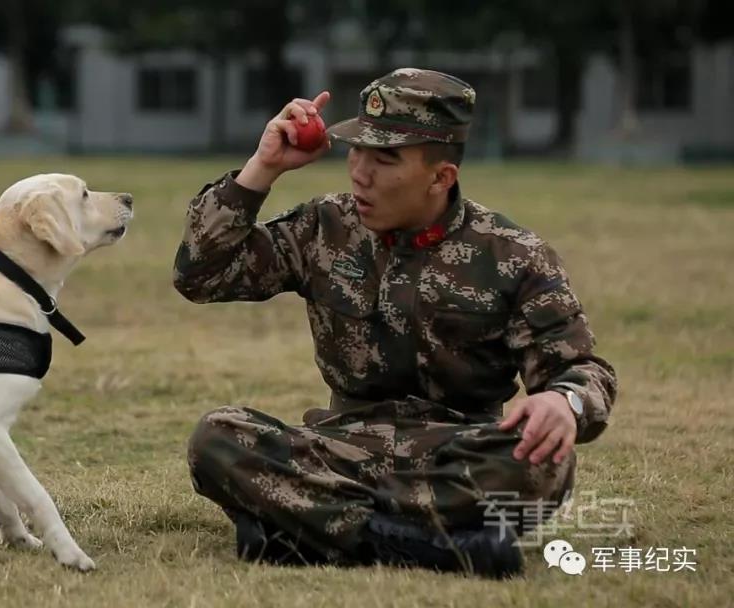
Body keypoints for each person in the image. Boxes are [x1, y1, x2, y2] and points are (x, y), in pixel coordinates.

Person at [172, 68, 617, 578]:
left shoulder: (513, 255)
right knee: (218, 437)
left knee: (543, 462)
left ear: (440, 176)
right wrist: (260, 170)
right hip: (340, 450)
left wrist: (565, 402)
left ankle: (300, 531)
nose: (359, 172)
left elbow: (582, 369)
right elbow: (200, 275)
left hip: (456, 454)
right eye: (355, 151)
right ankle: (425, 543)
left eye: (384, 159)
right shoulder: (325, 227)